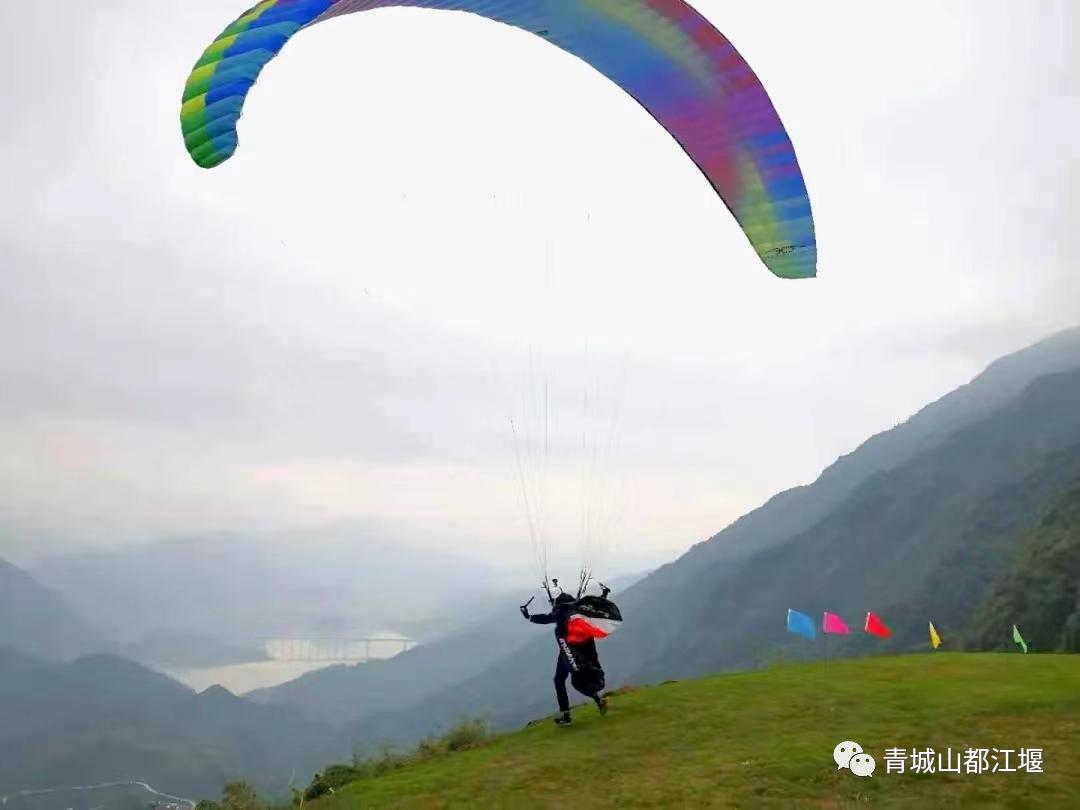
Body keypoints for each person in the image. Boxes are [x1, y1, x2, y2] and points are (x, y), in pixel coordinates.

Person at [521, 591, 608, 726]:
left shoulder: (561, 612)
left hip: (568, 654)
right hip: (571, 653)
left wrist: (529, 617)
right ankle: (595, 701)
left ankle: (567, 715)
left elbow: (546, 618)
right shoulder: (577, 611)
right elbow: (594, 609)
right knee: (562, 680)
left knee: (570, 681)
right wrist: (604, 595)